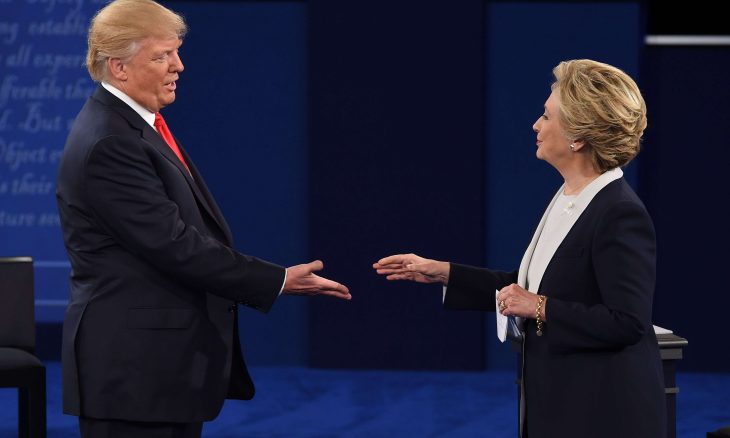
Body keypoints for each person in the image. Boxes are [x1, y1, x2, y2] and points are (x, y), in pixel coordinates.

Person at [55, 0, 350, 436]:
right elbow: (175, 246)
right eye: (163, 56)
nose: (179, 66)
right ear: (119, 67)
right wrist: (278, 280)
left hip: (157, 371)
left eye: (176, 52)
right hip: (133, 374)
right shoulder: (110, 142)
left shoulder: (134, 125)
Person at [373, 59, 666, 437]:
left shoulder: (619, 212)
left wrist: (539, 306)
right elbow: (532, 287)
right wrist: (444, 273)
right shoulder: (570, 197)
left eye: (546, 116)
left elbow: (627, 322)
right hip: (562, 403)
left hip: (602, 413)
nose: (535, 126)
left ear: (578, 137)